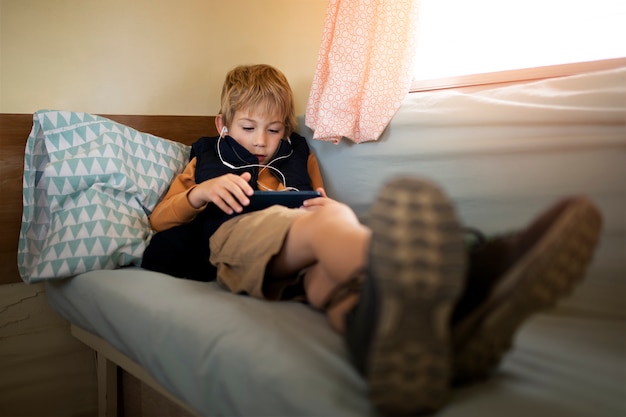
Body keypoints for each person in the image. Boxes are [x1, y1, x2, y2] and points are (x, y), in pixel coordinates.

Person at [141, 64, 602, 416]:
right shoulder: (205, 157)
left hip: (302, 249)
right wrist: (200, 193)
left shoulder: (297, 153)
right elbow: (162, 220)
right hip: (239, 236)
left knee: (337, 286)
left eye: (275, 129)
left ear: (287, 127)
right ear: (223, 124)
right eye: (247, 128)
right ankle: (466, 282)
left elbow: (319, 197)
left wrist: (332, 209)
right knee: (327, 231)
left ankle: (411, 347)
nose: (261, 141)